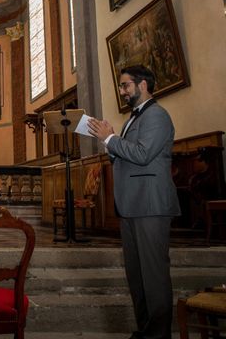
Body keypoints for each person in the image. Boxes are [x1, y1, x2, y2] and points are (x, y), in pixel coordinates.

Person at [88, 65, 180, 339]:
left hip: (150, 204)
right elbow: (125, 156)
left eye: (125, 85)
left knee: (153, 275)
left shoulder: (157, 116)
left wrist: (110, 138)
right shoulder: (132, 119)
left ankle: (158, 334)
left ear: (142, 85)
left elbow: (142, 155)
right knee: (137, 275)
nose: (122, 91)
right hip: (132, 204)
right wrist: (112, 144)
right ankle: (145, 330)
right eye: (121, 86)